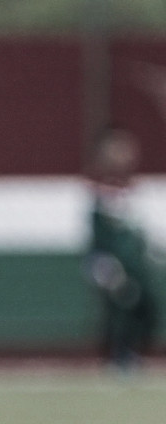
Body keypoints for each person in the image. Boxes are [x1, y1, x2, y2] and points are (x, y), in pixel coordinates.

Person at [85, 127, 160, 371]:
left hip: (135, 263)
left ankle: (134, 352)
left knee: (146, 303)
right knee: (121, 301)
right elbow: (99, 238)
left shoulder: (137, 189)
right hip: (107, 262)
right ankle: (117, 355)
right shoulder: (97, 190)